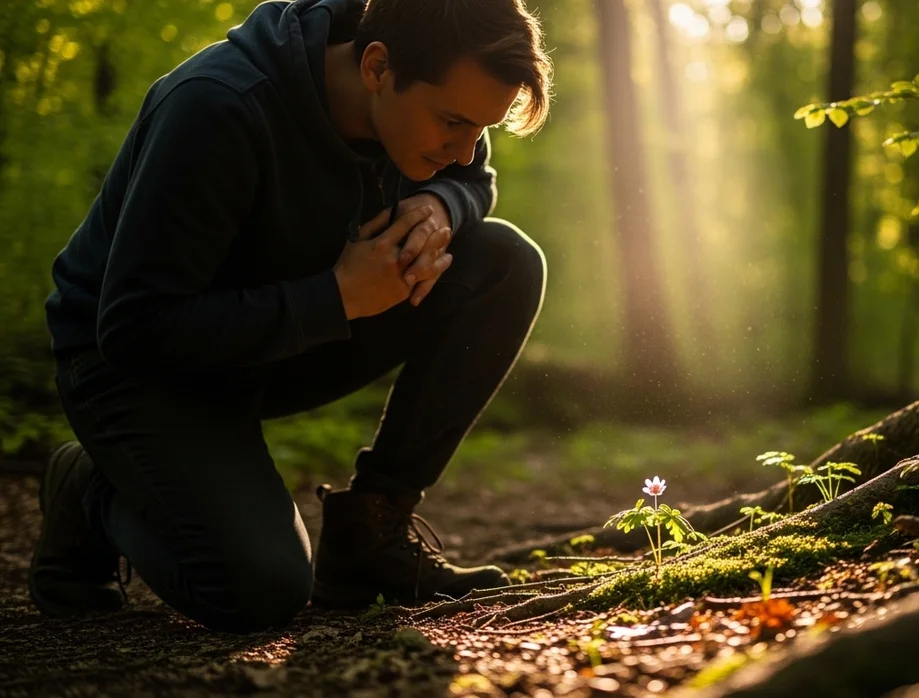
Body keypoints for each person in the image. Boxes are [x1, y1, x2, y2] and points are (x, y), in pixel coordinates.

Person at [29, 0, 553, 633]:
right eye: (453, 124)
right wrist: (336, 298)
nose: (467, 150)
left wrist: (442, 203)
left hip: (274, 339)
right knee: (260, 590)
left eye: (480, 130)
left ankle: (370, 540)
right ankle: (90, 486)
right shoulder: (218, 107)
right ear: (377, 66)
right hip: (132, 369)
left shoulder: (432, 94)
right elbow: (135, 328)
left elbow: (476, 179)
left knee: (502, 263)